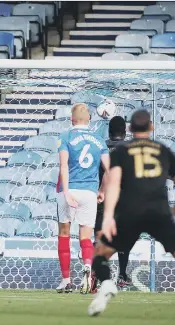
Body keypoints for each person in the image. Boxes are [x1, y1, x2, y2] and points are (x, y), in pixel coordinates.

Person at [89, 109, 175, 322]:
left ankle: (107, 284)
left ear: (131, 129)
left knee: (100, 253)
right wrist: (173, 213)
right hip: (159, 213)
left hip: (130, 212)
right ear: (151, 127)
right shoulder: (163, 150)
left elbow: (112, 183)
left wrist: (110, 216)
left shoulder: (121, 152)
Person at [56, 103, 110, 294]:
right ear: (89, 119)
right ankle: (87, 268)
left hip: (68, 190)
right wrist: (101, 191)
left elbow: (63, 166)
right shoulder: (98, 140)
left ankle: (66, 280)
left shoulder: (66, 137)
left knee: (64, 233)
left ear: (71, 119)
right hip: (89, 192)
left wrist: (67, 191)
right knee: (85, 237)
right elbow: (109, 170)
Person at [92, 116, 131, 292]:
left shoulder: (101, 146)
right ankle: (122, 274)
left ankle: (97, 273)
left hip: (103, 195)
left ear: (109, 130)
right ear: (125, 131)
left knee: (100, 236)